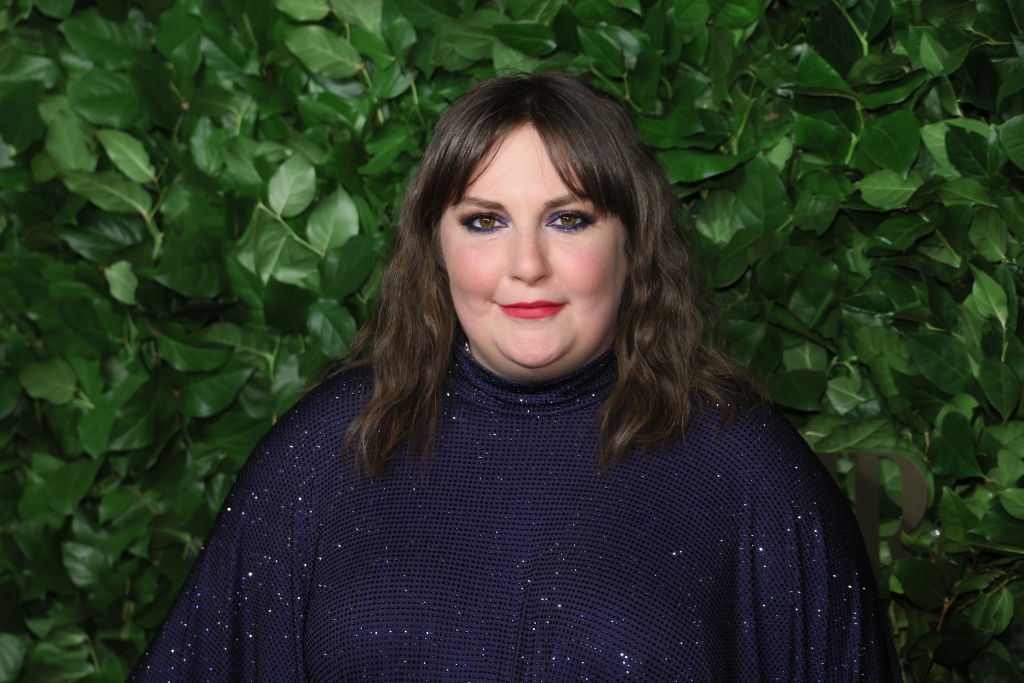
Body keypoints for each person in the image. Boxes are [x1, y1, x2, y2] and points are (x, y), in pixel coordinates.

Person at [129, 72, 901, 681]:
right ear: (434, 246)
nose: (526, 265)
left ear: (632, 242)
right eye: (484, 220)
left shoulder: (748, 471)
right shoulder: (327, 448)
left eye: (569, 219)